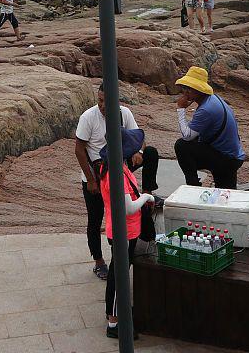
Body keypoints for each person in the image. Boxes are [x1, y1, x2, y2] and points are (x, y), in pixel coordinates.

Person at [74, 88, 159, 279]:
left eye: (106, 101)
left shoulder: (124, 113)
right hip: (98, 171)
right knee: (95, 219)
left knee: (152, 153)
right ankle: (98, 261)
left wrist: (139, 152)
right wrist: (90, 180)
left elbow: (139, 137)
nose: (103, 105)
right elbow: (79, 149)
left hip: (119, 164)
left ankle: (145, 192)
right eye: (100, 100)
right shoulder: (88, 117)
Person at [99, 127, 155, 340]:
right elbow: (129, 207)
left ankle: (117, 313)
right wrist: (146, 198)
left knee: (118, 272)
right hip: (123, 231)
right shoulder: (115, 174)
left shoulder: (116, 166)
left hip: (126, 230)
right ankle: (114, 321)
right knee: (118, 277)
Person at [174, 66, 244, 189]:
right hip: (233, 155)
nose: (185, 92)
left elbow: (187, 136)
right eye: (184, 88)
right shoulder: (213, 99)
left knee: (182, 146)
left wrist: (180, 109)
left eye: (188, 89)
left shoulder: (206, 109)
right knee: (226, 192)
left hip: (226, 159)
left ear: (198, 90)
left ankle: (193, 186)